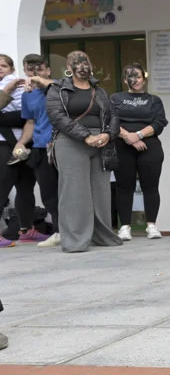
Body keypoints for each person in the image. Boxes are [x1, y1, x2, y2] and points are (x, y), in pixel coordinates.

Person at [44, 50, 122, 253]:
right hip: (71, 141)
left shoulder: (100, 91)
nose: (82, 66)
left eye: (85, 62)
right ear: (68, 67)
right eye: (76, 63)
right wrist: (85, 136)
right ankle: (75, 240)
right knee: (74, 192)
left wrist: (108, 134)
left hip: (101, 143)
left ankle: (102, 236)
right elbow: (56, 116)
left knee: (101, 192)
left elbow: (113, 115)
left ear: (91, 66)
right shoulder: (57, 89)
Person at [110, 63, 167, 241]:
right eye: (130, 76)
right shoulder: (115, 98)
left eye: (138, 76)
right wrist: (128, 137)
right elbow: (111, 120)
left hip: (149, 146)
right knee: (123, 187)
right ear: (124, 80)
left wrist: (138, 135)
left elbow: (159, 123)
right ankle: (125, 227)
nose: (134, 80)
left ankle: (151, 226)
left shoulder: (154, 100)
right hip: (122, 145)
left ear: (144, 79)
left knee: (150, 186)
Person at [20, 54, 60, 247]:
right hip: (40, 148)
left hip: (62, 146)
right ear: (25, 71)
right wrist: (21, 142)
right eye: (30, 70)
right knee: (49, 194)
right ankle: (60, 231)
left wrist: (38, 80)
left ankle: (76, 229)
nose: (35, 74)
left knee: (69, 191)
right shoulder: (27, 95)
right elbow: (30, 121)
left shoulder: (58, 87)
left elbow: (55, 86)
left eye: (40, 69)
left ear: (48, 70)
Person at [0, 53, 39, 248]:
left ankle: (26, 230)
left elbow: (27, 115)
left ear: (12, 69)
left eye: (3, 66)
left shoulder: (23, 85)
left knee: (26, 187)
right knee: (2, 187)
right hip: (3, 145)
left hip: (24, 143)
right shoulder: (11, 85)